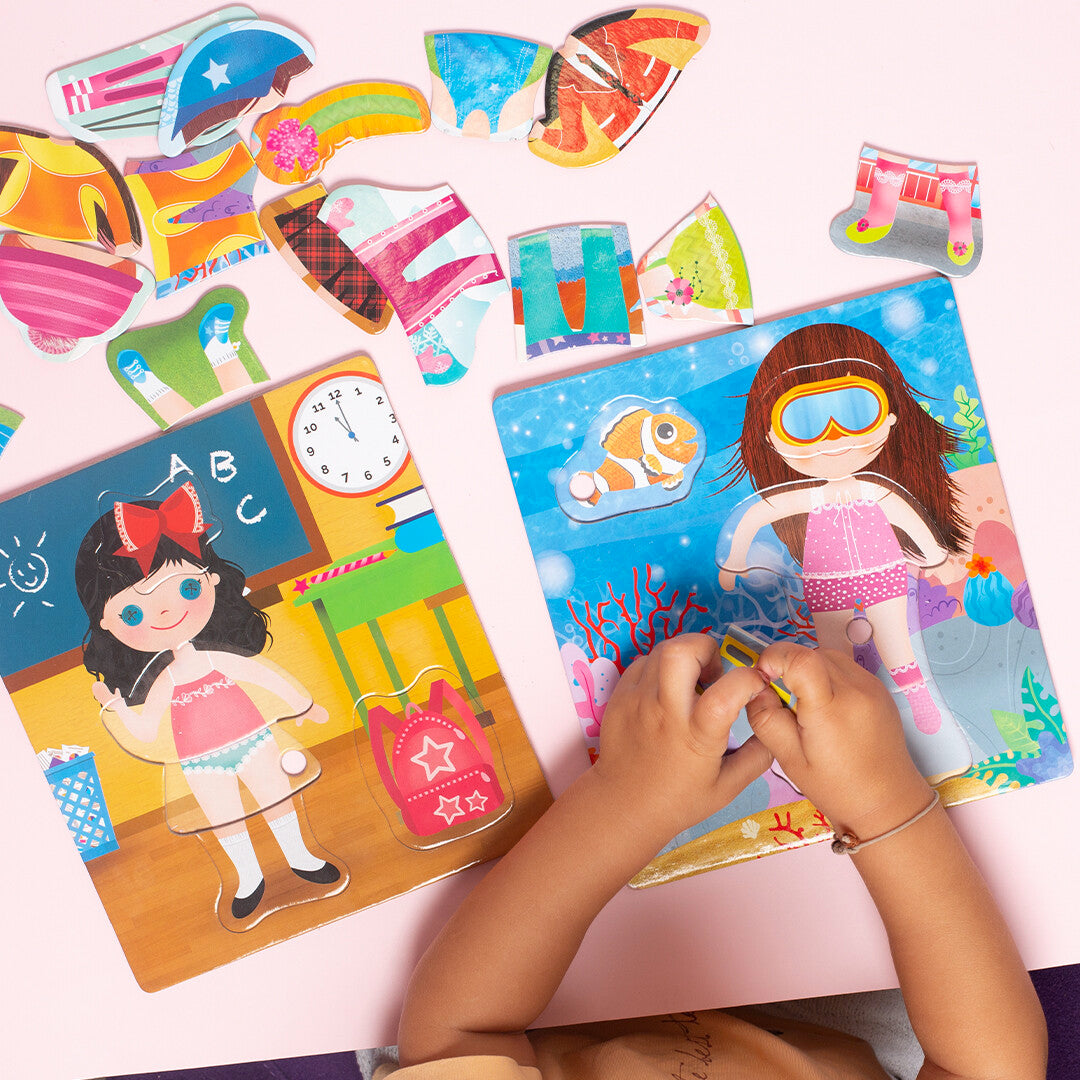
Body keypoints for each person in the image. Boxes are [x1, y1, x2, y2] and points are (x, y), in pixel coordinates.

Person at [390, 634, 1047, 1079]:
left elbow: (454, 1033)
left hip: (530, 1008)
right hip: (859, 1030)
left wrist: (622, 805)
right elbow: (990, 1069)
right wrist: (884, 805)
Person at [716, 322, 971, 781]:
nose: (834, 437)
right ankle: (844, 729)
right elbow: (754, 515)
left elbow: (909, 517)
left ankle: (918, 701)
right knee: (833, 662)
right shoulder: (808, 496)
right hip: (826, 585)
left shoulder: (874, 489)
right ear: (773, 438)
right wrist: (734, 562)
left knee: (897, 645)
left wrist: (935, 552)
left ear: (890, 418)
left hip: (884, 574)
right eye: (803, 422)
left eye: (857, 411)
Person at [75, 481, 340, 920]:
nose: (165, 612)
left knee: (276, 795)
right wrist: (117, 708)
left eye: (187, 589)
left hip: (255, 740)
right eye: (133, 613)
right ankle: (249, 877)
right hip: (199, 761)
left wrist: (303, 704)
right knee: (223, 816)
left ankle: (300, 856)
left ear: (210, 578)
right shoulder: (162, 680)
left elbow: (263, 675)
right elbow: (147, 731)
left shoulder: (216, 657)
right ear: (107, 622)